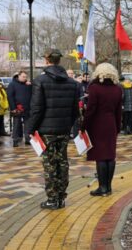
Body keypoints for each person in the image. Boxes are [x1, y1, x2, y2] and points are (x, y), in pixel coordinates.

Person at [26, 49, 80, 210]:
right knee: (62, 163)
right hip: (63, 130)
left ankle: (52, 199)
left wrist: (30, 129)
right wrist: (67, 126)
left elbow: (36, 108)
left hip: (46, 131)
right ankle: (61, 197)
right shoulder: (72, 83)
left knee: (50, 165)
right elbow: (74, 111)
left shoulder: (40, 81)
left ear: (47, 60)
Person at [82, 63, 122, 196]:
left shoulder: (95, 88)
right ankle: (108, 187)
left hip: (97, 124)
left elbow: (91, 109)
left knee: (100, 156)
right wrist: (117, 127)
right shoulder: (117, 89)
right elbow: (118, 111)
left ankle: (102, 187)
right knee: (110, 156)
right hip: (111, 123)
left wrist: (84, 126)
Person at [7, 71, 32, 147]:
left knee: (28, 125)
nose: (25, 78)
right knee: (17, 124)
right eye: (23, 77)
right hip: (17, 108)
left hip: (27, 108)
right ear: (19, 76)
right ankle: (15, 140)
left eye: (26, 77)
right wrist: (13, 108)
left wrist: (31, 84)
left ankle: (28, 139)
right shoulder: (12, 84)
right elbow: (10, 97)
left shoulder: (28, 84)